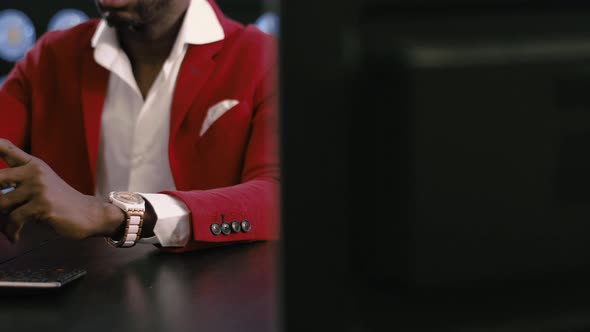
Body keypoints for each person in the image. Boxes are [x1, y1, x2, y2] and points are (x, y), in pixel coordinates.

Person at [0, 0, 279, 252]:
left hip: (216, 293)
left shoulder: (262, 57)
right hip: (77, 292)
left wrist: (108, 215)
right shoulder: (52, 55)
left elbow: (275, 197)